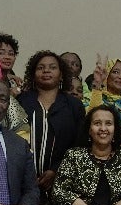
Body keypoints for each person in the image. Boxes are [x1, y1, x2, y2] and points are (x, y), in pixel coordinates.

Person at [17, 51, 85, 192]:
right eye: (40, 68)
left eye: (52, 67)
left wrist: (56, 170)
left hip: (63, 181)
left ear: (61, 75)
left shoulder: (74, 106)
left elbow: (79, 144)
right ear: (33, 74)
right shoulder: (21, 101)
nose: (46, 70)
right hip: (22, 180)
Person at [87, 57, 121, 152]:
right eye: (115, 72)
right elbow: (90, 120)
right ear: (106, 75)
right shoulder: (93, 97)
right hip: (99, 156)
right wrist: (98, 86)